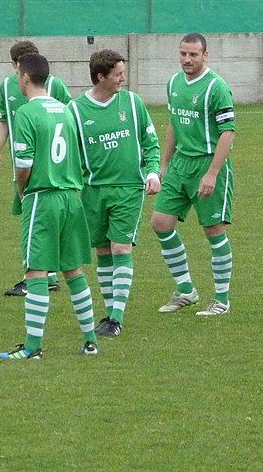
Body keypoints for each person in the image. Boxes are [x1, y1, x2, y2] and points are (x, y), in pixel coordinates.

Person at [0, 53, 97, 360]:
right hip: (71, 197)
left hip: (43, 197)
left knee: (36, 272)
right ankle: (90, 341)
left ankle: (32, 348)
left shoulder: (26, 113)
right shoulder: (66, 110)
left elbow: (24, 164)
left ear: (25, 77)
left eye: (18, 74)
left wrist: (23, 190)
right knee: (73, 269)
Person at [68, 49, 161, 337]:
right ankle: (109, 315)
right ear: (100, 77)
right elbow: (72, 156)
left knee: (121, 247)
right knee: (103, 251)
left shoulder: (132, 103)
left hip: (128, 190)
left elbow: (151, 141)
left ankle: (116, 318)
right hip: (93, 191)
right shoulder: (75, 110)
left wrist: (153, 170)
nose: (123, 78)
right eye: (118, 74)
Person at [150, 33, 236, 316]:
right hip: (180, 165)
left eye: (193, 55)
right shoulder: (173, 83)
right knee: (161, 222)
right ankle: (186, 290)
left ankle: (221, 300)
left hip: (206, 163)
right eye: (183, 54)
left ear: (205, 56)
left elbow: (228, 133)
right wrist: (164, 164)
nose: (187, 59)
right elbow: (173, 124)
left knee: (213, 230)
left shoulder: (216, 87)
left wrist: (212, 174)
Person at [0, 40, 73, 297]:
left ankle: (40, 276)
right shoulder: (6, 87)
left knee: (37, 220)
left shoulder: (54, 86)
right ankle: (47, 274)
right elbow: (3, 120)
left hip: (44, 169)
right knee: (39, 220)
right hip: (24, 163)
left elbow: (70, 117)